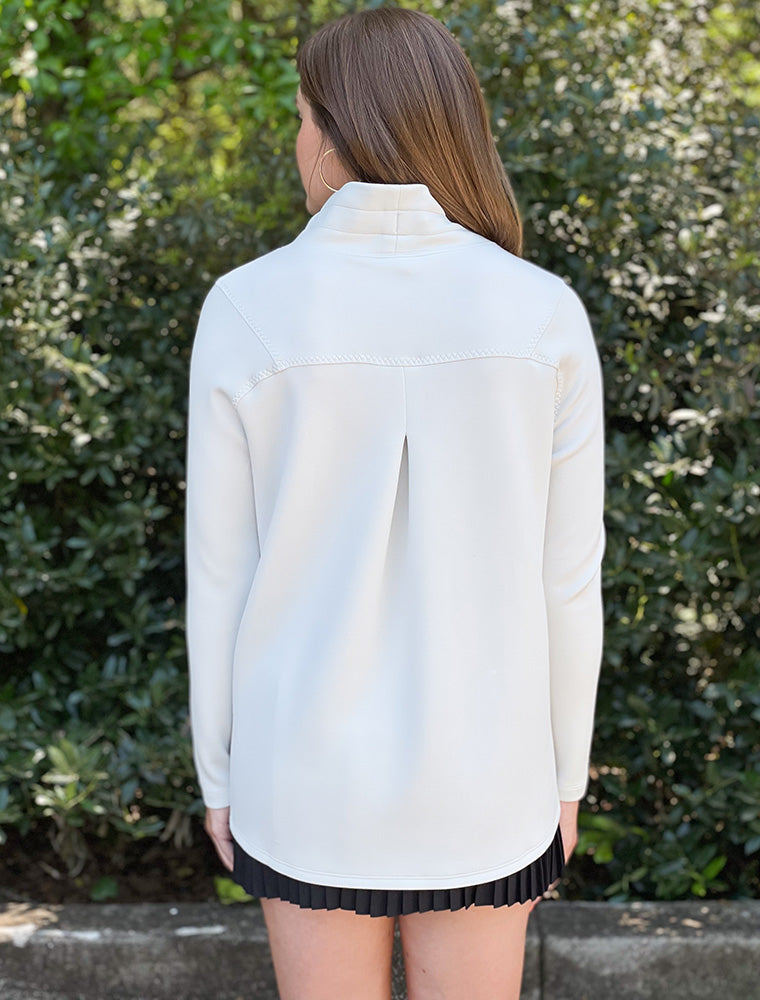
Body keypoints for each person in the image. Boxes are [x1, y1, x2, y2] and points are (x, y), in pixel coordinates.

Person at [185, 7, 605, 999]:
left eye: (300, 119)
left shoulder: (245, 306)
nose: (297, 144)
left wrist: (220, 777)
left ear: (338, 131)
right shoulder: (542, 310)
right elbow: (567, 581)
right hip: (487, 776)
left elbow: (220, 574)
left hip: (302, 775)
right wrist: (564, 780)